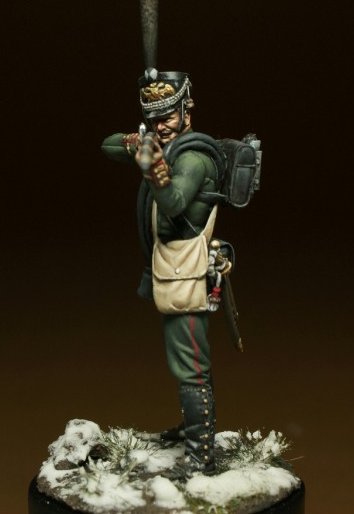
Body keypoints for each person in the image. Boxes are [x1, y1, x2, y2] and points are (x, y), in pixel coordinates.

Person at [101, 70, 226, 478]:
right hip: (171, 267)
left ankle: (200, 457)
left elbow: (172, 203)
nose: (161, 125)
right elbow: (107, 145)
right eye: (153, 118)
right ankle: (193, 433)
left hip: (185, 273)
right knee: (185, 360)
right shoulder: (163, 142)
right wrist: (139, 142)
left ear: (187, 110)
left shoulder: (191, 159)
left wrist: (154, 166)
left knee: (190, 364)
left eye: (167, 116)